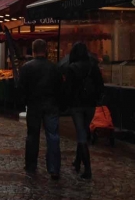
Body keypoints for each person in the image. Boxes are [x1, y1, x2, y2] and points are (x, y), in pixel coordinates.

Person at [19, 39, 63, 180]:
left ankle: (31, 165)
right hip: (51, 105)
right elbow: (60, 88)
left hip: (34, 106)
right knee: (53, 136)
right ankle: (54, 168)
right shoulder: (54, 68)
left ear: (33, 51)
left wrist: (24, 102)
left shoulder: (27, 68)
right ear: (46, 50)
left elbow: (22, 88)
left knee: (32, 135)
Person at [62, 42, 103, 180]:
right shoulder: (93, 66)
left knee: (81, 135)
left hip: (77, 106)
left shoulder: (71, 68)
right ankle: (77, 162)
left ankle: (88, 169)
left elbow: (68, 89)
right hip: (90, 105)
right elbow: (100, 85)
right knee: (83, 131)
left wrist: (66, 104)